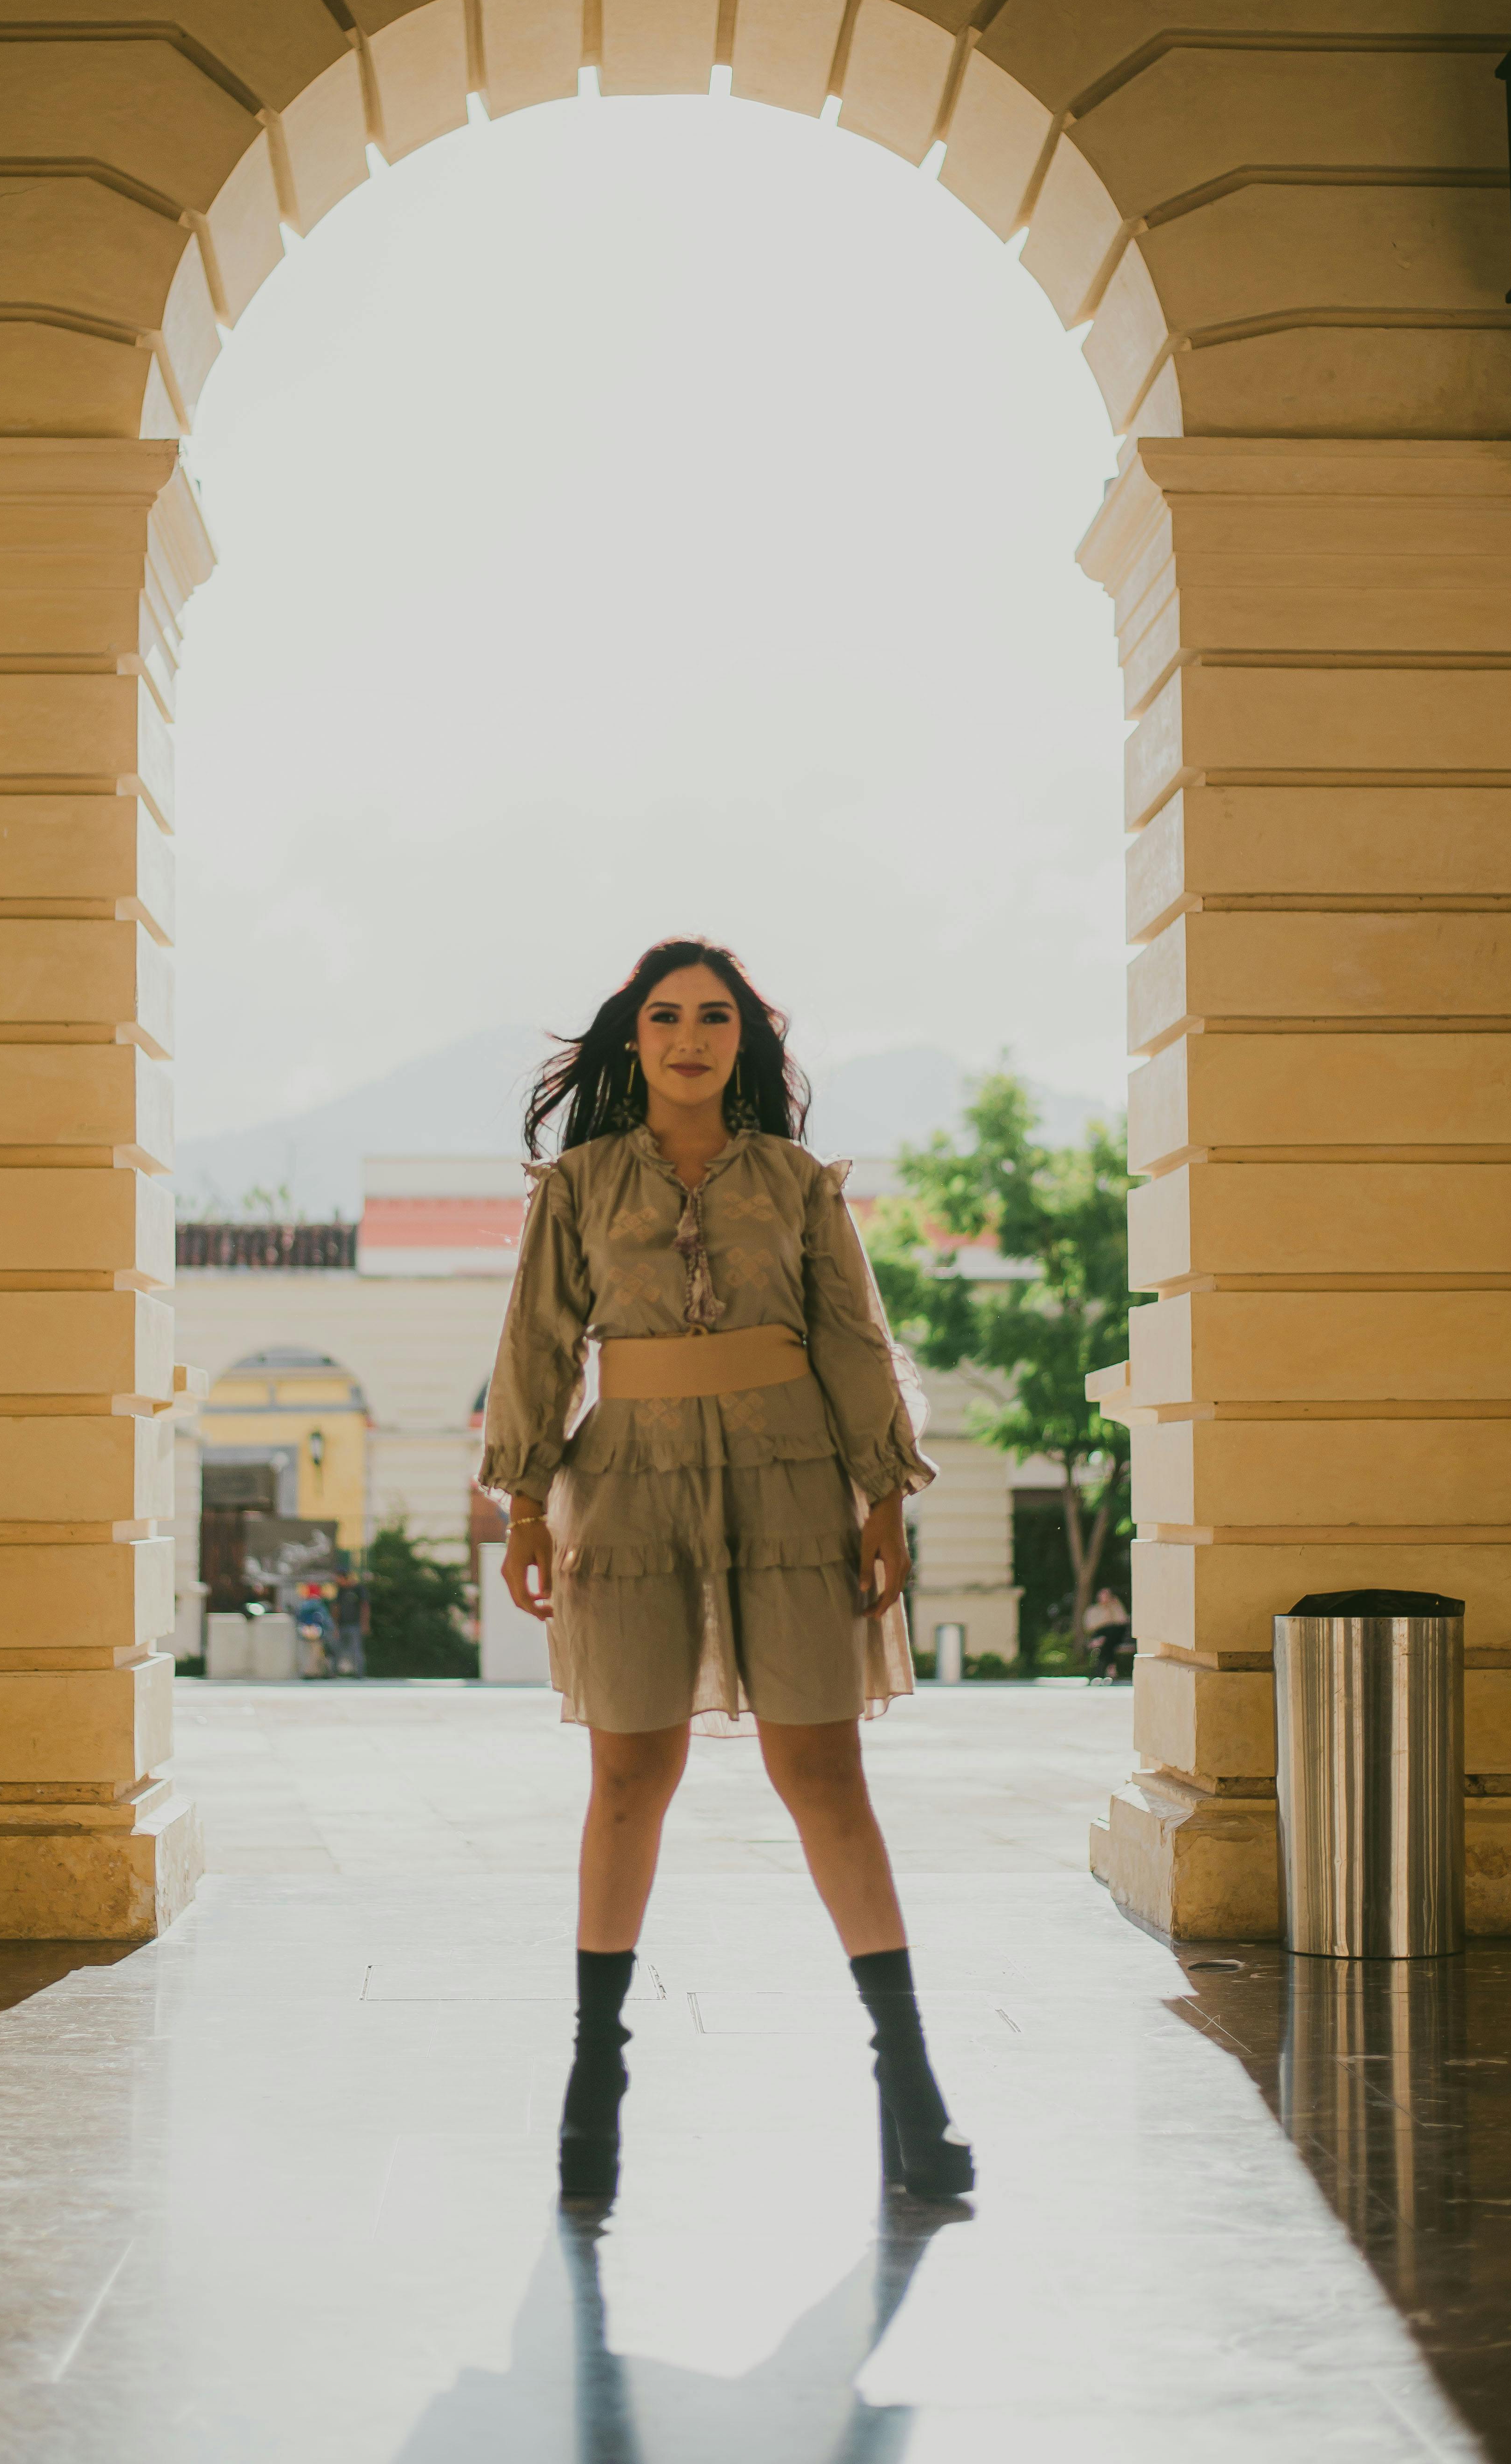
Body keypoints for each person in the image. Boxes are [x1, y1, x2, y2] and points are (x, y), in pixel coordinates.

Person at [481, 938, 973, 2206]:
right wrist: (526, 1504)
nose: (689, 1036)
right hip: (631, 1487)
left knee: (823, 1771)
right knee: (629, 1772)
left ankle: (906, 2076)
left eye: (714, 1017)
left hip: (794, 1476)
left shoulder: (799, 1182)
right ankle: (597, 2072)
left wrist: (884, 1494)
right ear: (632, 1040)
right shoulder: (578, 1186)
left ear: (744, 1042)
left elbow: (855, 1337)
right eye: (664, 1017)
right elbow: (536, 1349)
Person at [1085, 1584, 1132, 1682]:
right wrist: (1107, 1622)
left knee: (1111, 1634)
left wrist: (1115, 1607)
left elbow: (1123, 1621)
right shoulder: (1093, 1610)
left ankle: (1101, 1670)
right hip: (1101, 1633)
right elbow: (1090, 1627)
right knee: (1109, 1636)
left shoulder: (1116, 1607)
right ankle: (1111, 1668)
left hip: (1113, 1635)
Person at [331, 1571, 369, 1678]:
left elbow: (365, 1607)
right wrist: (336, 1626)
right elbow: (336, 1608)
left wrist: (365, 1624)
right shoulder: (341, 1591)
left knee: (356, 1649)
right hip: (342, 1625)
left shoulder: (358, 1589)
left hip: (355, 1625)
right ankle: (334, 1672)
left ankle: (360, 1673)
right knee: (337, 1649)